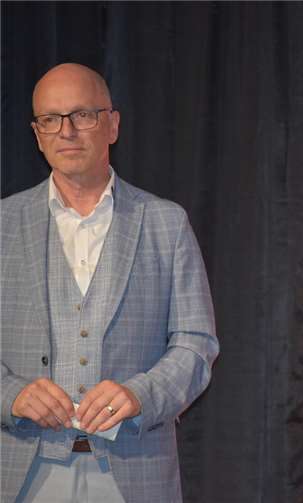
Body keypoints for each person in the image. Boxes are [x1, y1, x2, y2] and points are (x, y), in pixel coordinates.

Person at [1, 63, 219, 503]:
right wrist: (11, 395)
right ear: (37, 134)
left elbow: (196, 345)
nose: (66, 131)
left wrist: (142, 395)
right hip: (23, 473)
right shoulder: (4, 224)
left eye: (82, 115)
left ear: (112, 125)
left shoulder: (165, 223)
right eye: (51, 119)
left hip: (135, 471)